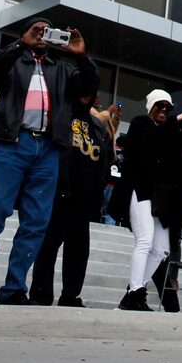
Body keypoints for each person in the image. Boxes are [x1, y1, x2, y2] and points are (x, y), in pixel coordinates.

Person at [0, 18, 97, 305]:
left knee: (35, 222)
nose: (43, 35)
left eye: (48, 31)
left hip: (48, 148)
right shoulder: (13, 62)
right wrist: (21, 42)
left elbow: (88, 89)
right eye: (38, 30)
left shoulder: (61, 69)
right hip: (13, 143)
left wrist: (82, 56)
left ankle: (14, 288)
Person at [116, 88, 182, 311]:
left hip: (162, 199)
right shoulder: (140, 124)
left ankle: (134, 292)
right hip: (140, 190)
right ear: (151, 108)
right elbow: (153, 139)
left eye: (168, 107)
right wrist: (179, 118)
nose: (164, 111)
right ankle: (136, 291)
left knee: (162, 249)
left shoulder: (169, 134)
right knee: (145, 241)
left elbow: (177, 143)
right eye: (160, 106)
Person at [29, 99, 117, 308]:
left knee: (78, 251)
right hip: (60, 193)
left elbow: (104, 160)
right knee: (49, 246)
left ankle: (70, 295)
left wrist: (97, 193)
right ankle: (41, 294)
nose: (88, 98)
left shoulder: (97, 125)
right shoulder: (61, 115)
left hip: (84, 198)